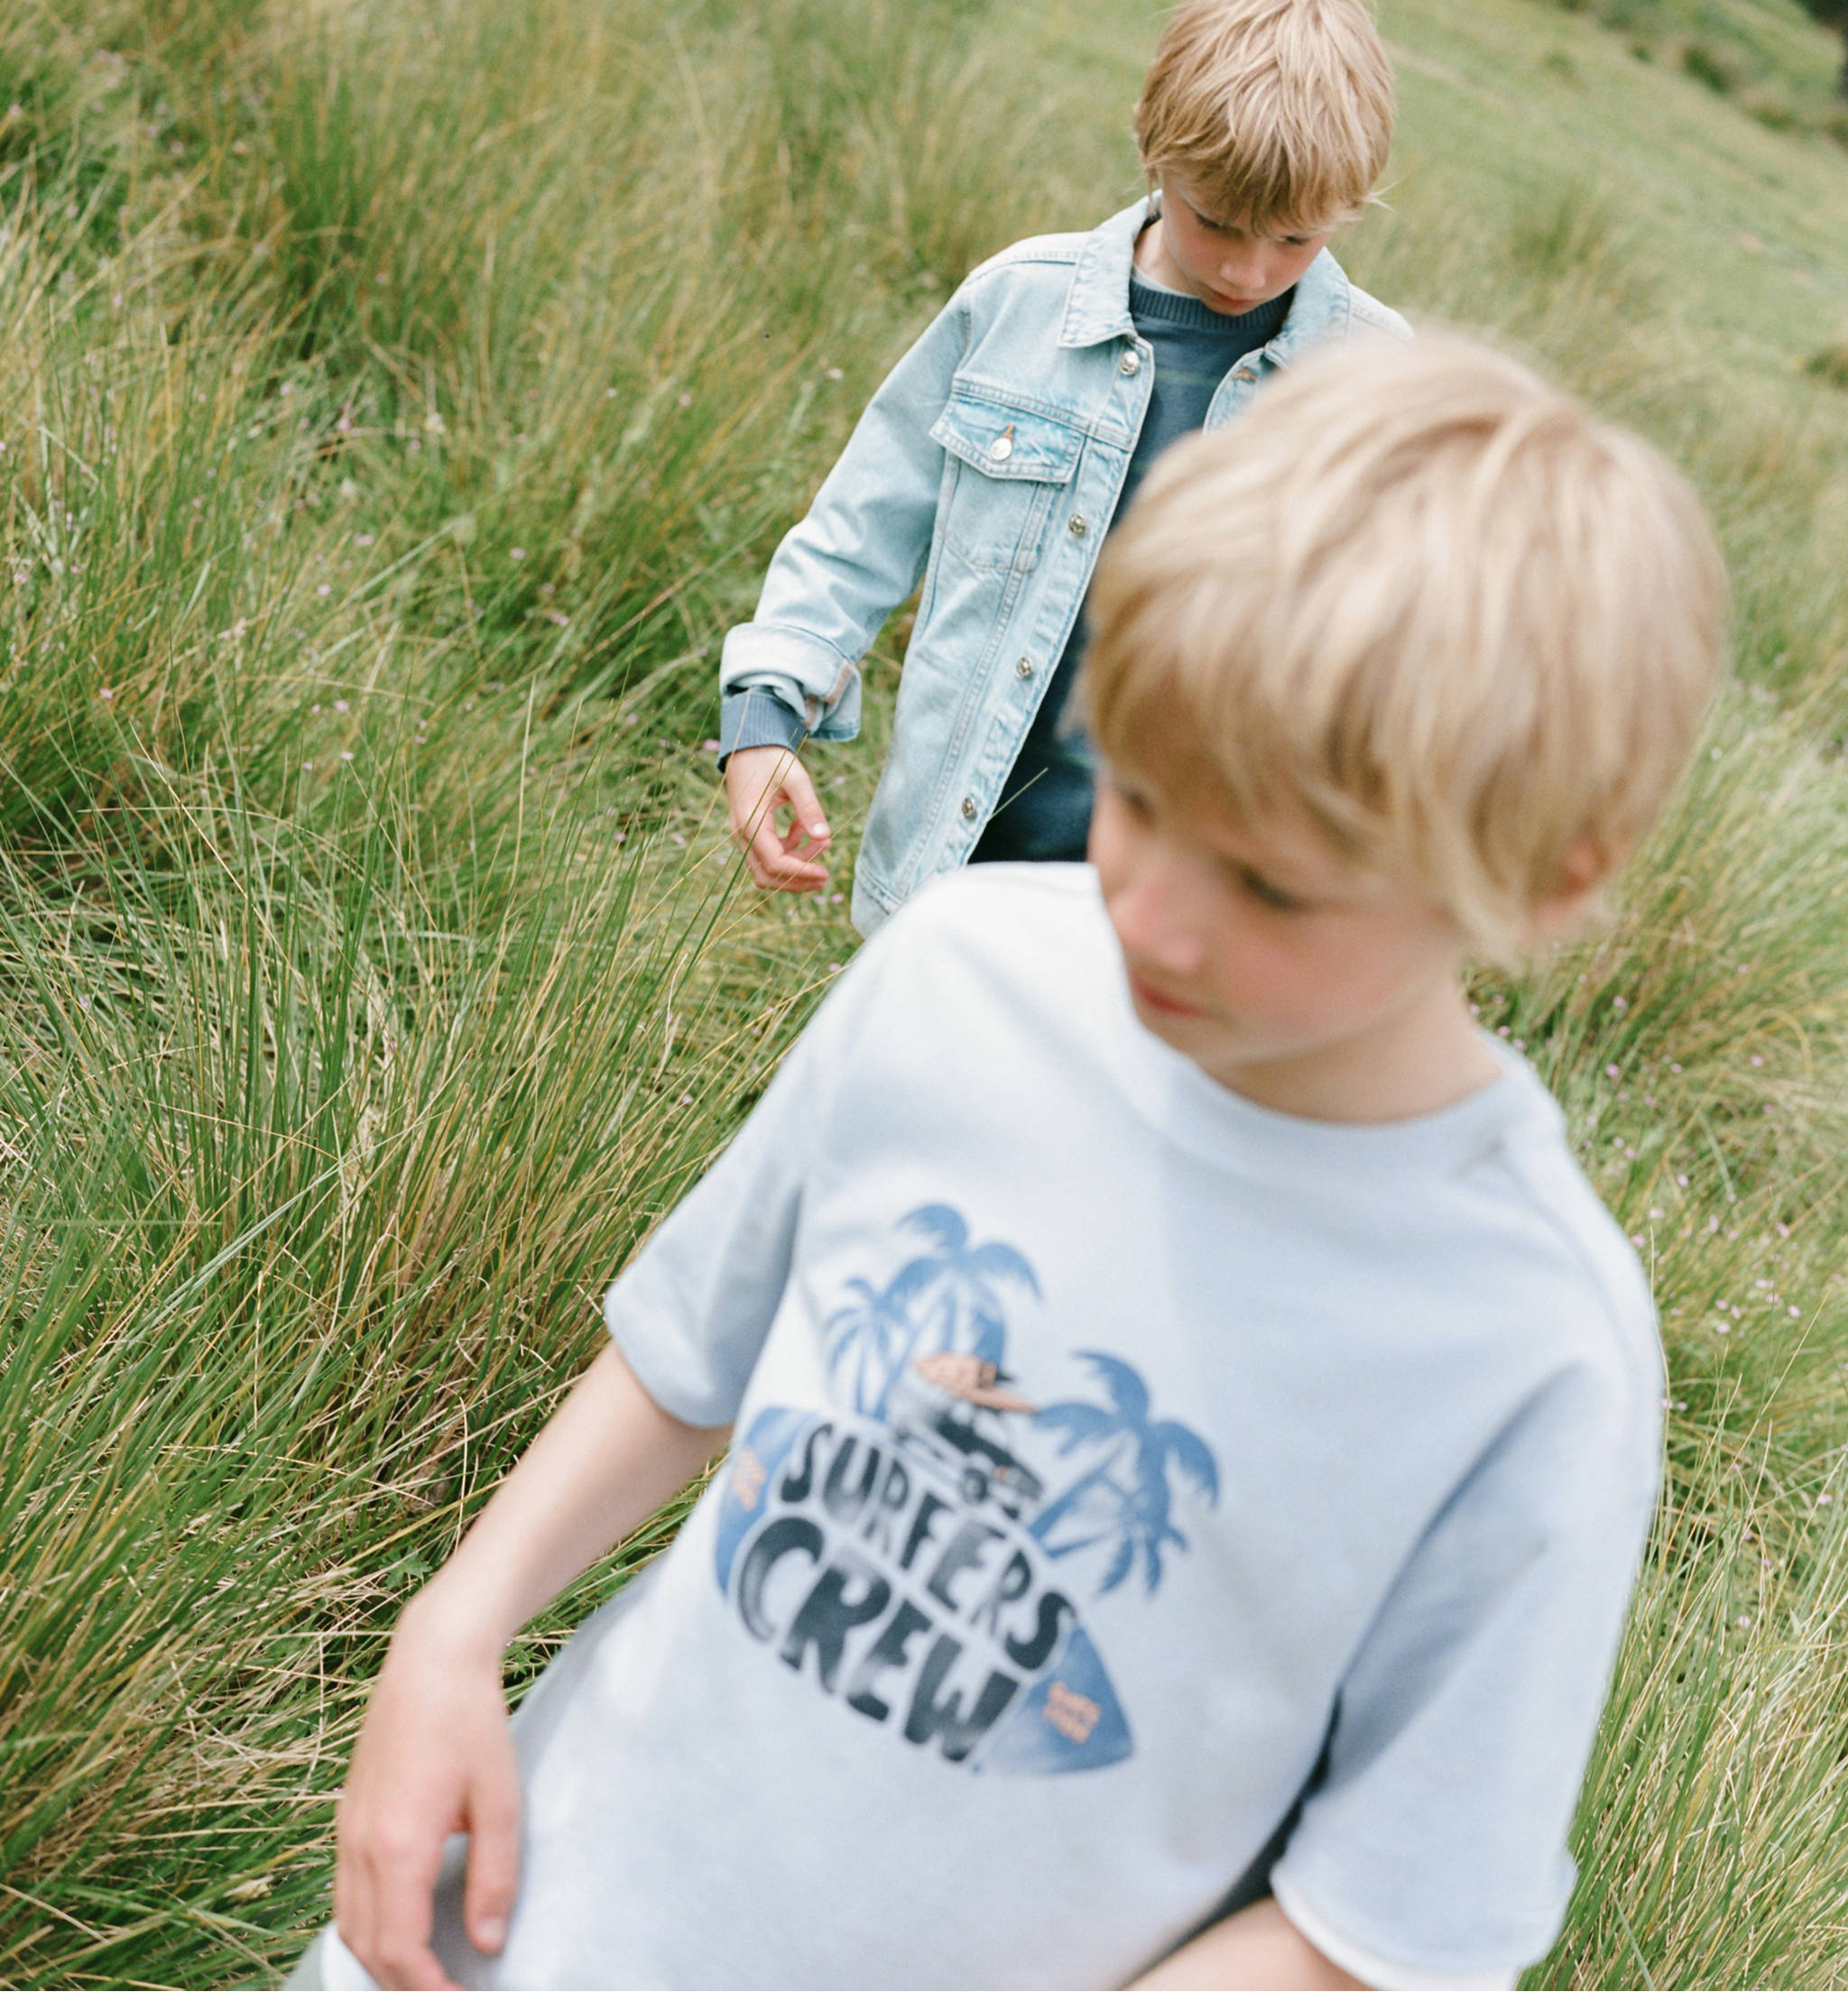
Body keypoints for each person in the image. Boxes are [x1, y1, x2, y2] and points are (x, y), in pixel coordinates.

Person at [303, 334, 1724, 1992]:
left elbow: (1384, 1923)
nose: (1149, 911)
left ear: (1553, 877)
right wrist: (454, 1627)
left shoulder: (1532, 1351)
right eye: (1136, 789)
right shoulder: (961, 964)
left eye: (1268, 886)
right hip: (502, 1922)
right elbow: (697, 1342)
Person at [718, 0, 1406, 935]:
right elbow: (857, 529)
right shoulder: (1015, 306)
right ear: (1152, 147)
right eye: (1215, 220)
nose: (1246, 270)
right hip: (951, 887)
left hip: (1191, 926)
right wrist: (763, 714)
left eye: (1295, 239)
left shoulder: (1382, 393)